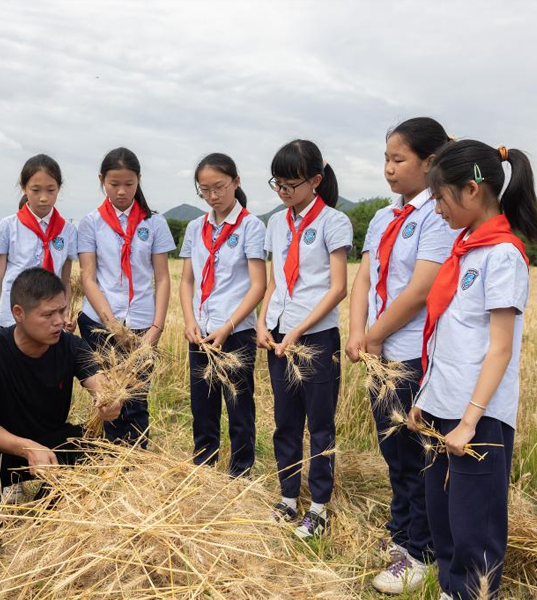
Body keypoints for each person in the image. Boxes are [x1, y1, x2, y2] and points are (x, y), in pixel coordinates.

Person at [408, 140, 537, 600]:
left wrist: (469, 421)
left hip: (477, 417)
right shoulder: (465, 250)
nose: (437, 209)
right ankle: (451, 591)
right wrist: (425, 399)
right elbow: (448, 337)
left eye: (440, 197)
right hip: (443, 408)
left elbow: (499, 349)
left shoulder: (502, 255)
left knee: (474, 528)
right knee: (444, 518)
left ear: (471, 189)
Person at [344, 117, 455, 593]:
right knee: (393, 451)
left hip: (412, 354)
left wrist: (374, 334)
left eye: (398, 159)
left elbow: (422, 288)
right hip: (379, 353)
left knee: (417, 454)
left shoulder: (437, 214)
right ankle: (402, 535)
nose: (388, 168)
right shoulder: (383, 217)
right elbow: (364, 279)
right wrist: (358, 332)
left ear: (429, 162)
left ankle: (421, 553)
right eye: (385, 159)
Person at [0, 267, 119, 532]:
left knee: (98, 446)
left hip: (52, 443)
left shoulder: (71, 345)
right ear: (18, 313)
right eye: (48, 314)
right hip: (4, 446)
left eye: (62, 311)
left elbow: (100, 384)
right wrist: (27, 448)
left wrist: (110, 401)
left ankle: (43, 521)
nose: (59, 321)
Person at [256, 140, 352, 539]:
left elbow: (338, 288)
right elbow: (275, 280)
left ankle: (319, 507)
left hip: (316, 336)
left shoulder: (334, 222)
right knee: (286, 421)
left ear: (315, 180)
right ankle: (288, 498)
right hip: (279, 334)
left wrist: (298, 330)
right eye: (277, 183)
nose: (282, 191)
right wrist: (263, 321)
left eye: (290, 184)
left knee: (320, 424)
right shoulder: (276, 223)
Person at [76, 147, 176, 446]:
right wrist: (113, 326)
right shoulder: (90, 222)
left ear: (139, 180)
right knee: (107, 400)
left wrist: (156, 329)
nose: (121, 191)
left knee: (136, 398)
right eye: (114, 184)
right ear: (101, 180)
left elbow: (162, 278)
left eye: (129, 184)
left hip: (143, 324)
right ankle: (109, 459)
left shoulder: (154, 223)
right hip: (99, 324)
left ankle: (136, 461)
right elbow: (88, 278)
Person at [179, 153, 266, 477]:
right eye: (205, 190)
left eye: (219, 187)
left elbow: (258, 285)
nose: (213, 196)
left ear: (236, 182)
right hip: (201, 331)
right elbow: (186, 281)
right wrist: (190, 321)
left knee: (239, 406)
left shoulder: (251, 227)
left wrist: (228, 326)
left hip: (236, 331)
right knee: (202, 406)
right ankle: (204, 468)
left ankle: (240, 472)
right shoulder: (195, 228)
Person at [0, 154, 77, 330]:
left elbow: (65, 282)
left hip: (51, 321)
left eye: (50, 190)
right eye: (35, 190)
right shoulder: (7, 227)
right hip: (12, 319)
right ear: (23, 188)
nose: (43, 198)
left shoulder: (68, 231)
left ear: (59, 188)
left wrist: (64, 315)